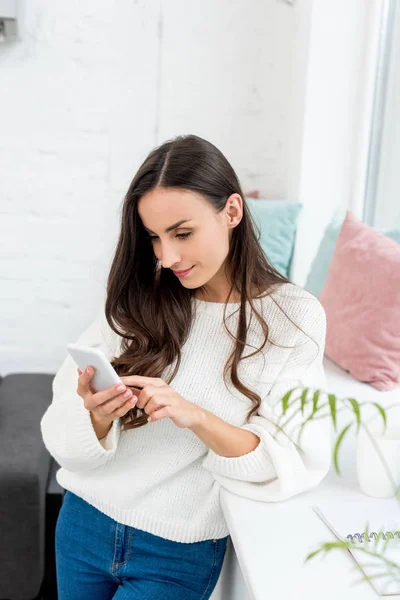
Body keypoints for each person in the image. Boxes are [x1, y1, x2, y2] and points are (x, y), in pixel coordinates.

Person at [40, 134, 332, 600]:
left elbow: (291, 456)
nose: (166, 257)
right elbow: (60, 424)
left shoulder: (292, 317)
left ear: (232, 212)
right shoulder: (140, 294)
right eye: (154, 238)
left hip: (177, 548)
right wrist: (96, 415)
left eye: (182, 233)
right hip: (83, 523)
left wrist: (193, 415)